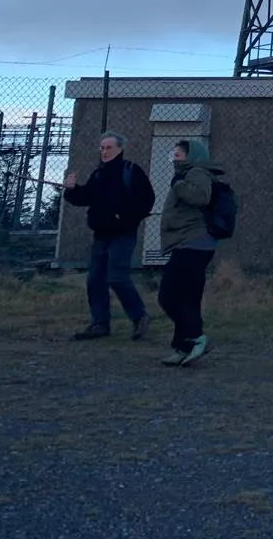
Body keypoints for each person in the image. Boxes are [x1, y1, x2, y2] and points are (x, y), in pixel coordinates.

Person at [62, 130, 156, 341]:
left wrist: (125, 217)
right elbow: (85, 197)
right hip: (101, 234)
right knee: (95, 280)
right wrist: (71, 189)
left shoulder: (131, 171)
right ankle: (99, 324)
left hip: (123, 233)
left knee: (117, 277)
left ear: (120, 149)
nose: (104, 152)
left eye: (109, 148)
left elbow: (147, 199)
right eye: (102, 148)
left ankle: (139, 317)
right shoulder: (99, 174)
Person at [157, 138, 224, 367]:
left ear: (191, 155)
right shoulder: (189, 174)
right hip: (192, 243)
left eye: (178, 154)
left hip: (193, 244)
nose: (174, 159)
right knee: (188, 298)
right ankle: (183, 346)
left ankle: (196, 337)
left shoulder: (196, 173)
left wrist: (178, 184)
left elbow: (201, 197)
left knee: (168, 295)